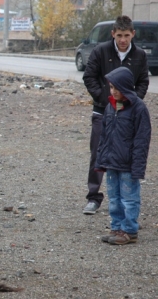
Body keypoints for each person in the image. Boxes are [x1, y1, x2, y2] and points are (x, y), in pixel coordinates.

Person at [82, 15, 149, 215]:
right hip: (103, 112)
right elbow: (89, 77)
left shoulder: (139, 55)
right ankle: (94, 197)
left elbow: (144, 81)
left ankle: (124, 200)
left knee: (125, 155)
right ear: (113, 34)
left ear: (132, 34)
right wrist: (104, 99)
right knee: (98, 153)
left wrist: (133, 102)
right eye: (119, 35)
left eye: (126, 35)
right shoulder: (101, 51)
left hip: (129, 115)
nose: (123, 40)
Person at [96, 67, 151, 245]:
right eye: (111, 88)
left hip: (128, 164)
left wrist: (138, 167)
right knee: (114, 198)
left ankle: (129, 230)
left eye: (117, 88)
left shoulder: (138, 109)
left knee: (129, 198)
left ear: (126, 87)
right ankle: (117, 227)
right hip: (112, 163)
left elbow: (142, 140)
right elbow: (104, 136)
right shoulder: (110, 107)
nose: (113, 91)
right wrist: (101, 159)